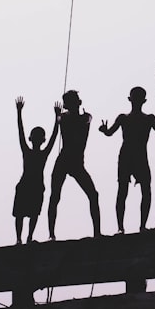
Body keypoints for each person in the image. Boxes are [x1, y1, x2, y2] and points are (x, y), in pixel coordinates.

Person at [99, 87, 155, 233]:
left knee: (133, 191)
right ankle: (126, 227)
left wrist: (104, 130)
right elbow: (109, 132)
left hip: (133, 156)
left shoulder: (144, 118)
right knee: (130, 191)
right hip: (132, 156)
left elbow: (109, 132)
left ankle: (132, 227)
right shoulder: (130, 118)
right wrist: (104, 130)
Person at [48, 90, 102, 240]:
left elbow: (86, 120)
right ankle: (51, 235)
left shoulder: (84, 117)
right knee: (55, 196)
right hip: (65, 160)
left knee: (93, 194)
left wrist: (59, 114)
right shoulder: (64, 118)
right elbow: (63, 120)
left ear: (79, 102)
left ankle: (97, 233)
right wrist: (58, 115)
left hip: (76, 162)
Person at [13, 97, 59, 245]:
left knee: (31, 213)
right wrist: (19, 113)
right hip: (29, 185)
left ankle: (25, 238)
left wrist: (57, 119)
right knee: (23, 214)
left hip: (33, 185)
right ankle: (22, 238)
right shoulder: (33, 152)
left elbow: (53, 137)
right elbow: (21, 132)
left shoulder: (35, 153)